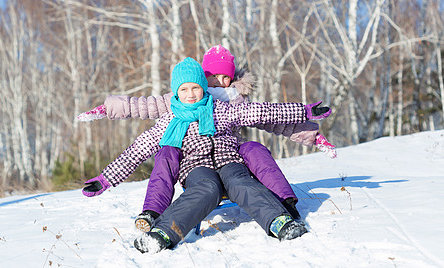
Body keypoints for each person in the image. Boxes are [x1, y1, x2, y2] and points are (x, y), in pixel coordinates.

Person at [82, 57, 332, 253]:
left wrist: (305, 111)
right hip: (196, 168)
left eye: (195, 88)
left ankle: (280, 221)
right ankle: (163, 234)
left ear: (203, 88)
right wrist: (104, 179)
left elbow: (263, 112)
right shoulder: (170, 120)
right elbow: (137, 150)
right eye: (184, 89)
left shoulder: (221, 109)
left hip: (230, 160)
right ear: (176, 93)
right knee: (206, 189)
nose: (190, 94)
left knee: (241, 182)